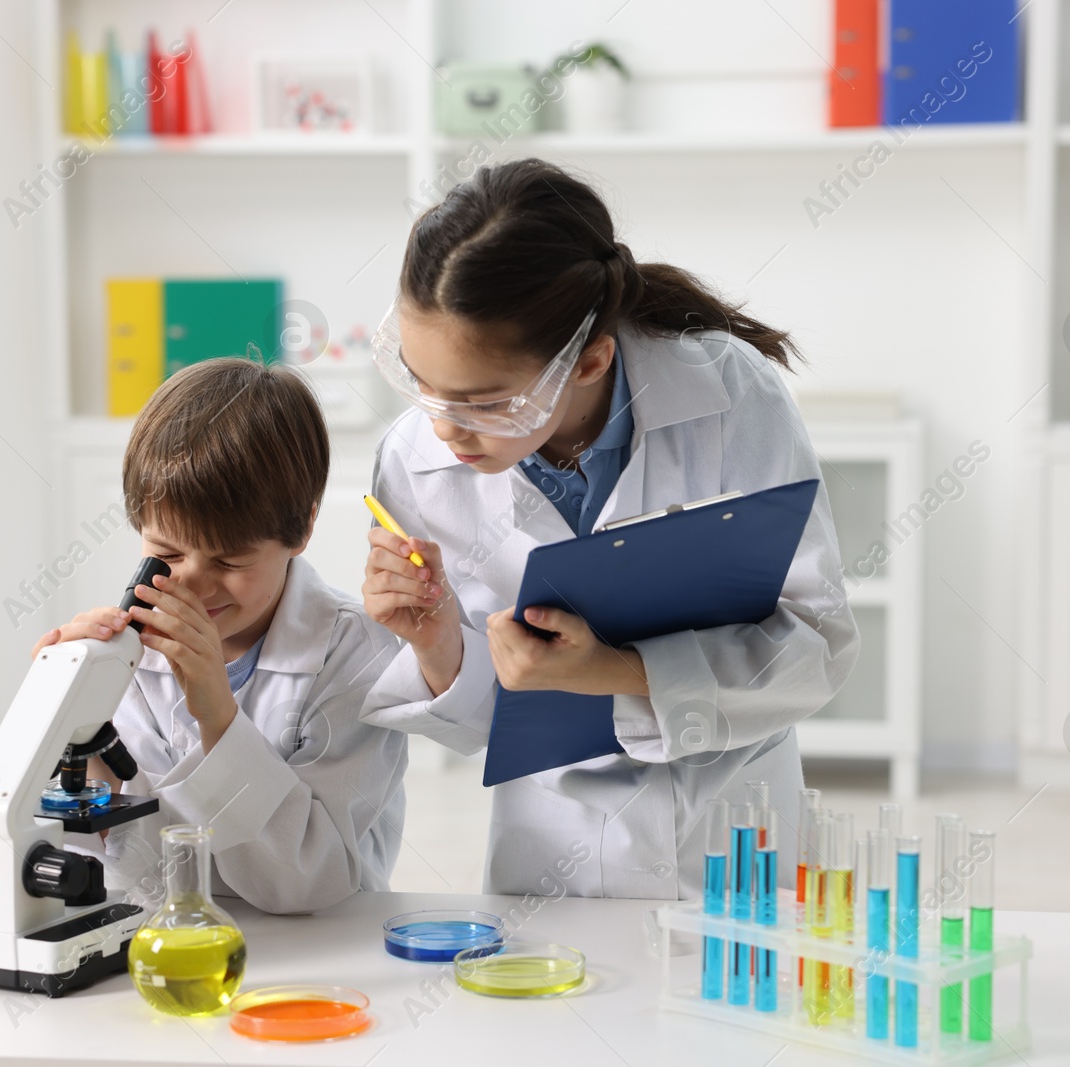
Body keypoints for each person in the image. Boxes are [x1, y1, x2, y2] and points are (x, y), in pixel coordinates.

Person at [360, 158, 858, 900]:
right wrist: (435, 641)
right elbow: (477, 728)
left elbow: (817, 650)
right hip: (555, 843)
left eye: (485, 401)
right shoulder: (414, 460)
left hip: (732, 824)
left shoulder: (731, 395)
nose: (445, 428)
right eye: (423, 385)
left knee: (743, 1009)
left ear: (590, 358)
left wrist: (622, 674)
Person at [34, 358, 407, 914]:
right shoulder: (126, 653)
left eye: (230, 560)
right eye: (166, 553)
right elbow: (113, 859)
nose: (192, 582)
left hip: (321, 943)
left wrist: (217, 714)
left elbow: (309, 883)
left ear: (302, 528)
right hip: (162, 933)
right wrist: (64, 725)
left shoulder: (358, 657)